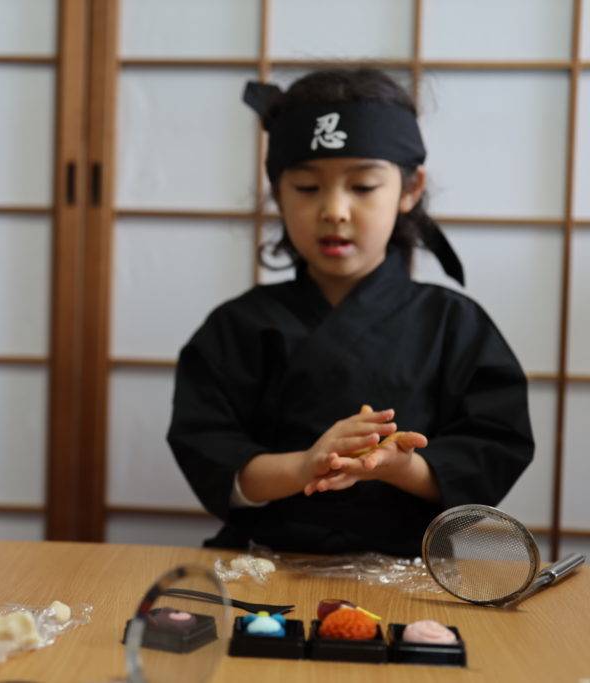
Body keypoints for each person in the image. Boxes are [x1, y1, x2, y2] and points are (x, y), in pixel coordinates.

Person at [167, 68, 534, 557]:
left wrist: (398, 466)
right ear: (278, 191)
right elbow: (208, 448)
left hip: (413, 572)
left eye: (362, 186)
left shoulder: (453, 323)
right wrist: (304, 467)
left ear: (410, 188)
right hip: (264, 564)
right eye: (306, 187)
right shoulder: (236, 327)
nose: (334, 210)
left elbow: (494, 444)